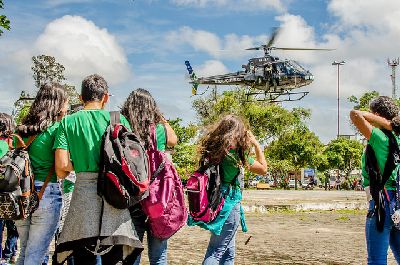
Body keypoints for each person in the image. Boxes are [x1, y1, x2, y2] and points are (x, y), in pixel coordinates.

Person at [53, 74, 142, 265]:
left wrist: (79, 162)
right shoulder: (118, 120)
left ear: (80, 97)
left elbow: (61, 169)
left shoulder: (68, 122)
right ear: (106, 97)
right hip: (114, 195)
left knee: (83, 258)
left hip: (82, 200)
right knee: (115, 258)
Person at [188, 114, 267, 264]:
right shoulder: (235, 156)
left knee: (228, 252)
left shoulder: (213, 152)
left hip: (214, 200)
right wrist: (256, 145)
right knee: (216, 251)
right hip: (228, 203)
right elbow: (263, 169)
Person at [120, 88, 178, 265]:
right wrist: (162, 119)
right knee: (159, 255)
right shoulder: (159, 129)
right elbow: (174, 140)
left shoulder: (125, 128)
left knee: (131, 255)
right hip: (156, 198)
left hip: (133, 195)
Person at [14, 83, 68, 265]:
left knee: (25, 251)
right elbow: (61, 170)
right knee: (35, 255)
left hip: (20, 193)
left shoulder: (22, 129)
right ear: (58, 103)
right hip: (46, 194)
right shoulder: (57, 129)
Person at [350, 96, 400, 264]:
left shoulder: (379, 136)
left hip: (382, 202)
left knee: (376, 260)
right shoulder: (399, 138)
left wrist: (387, 124)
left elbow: (355, 114)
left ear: (377, 114)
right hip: (398, 202)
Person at [0, 113, 18, 264]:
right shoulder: (16, 144)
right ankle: (10, 253)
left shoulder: (1, 145)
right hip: (13, 192)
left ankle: (2, 257)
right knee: (13, 227)